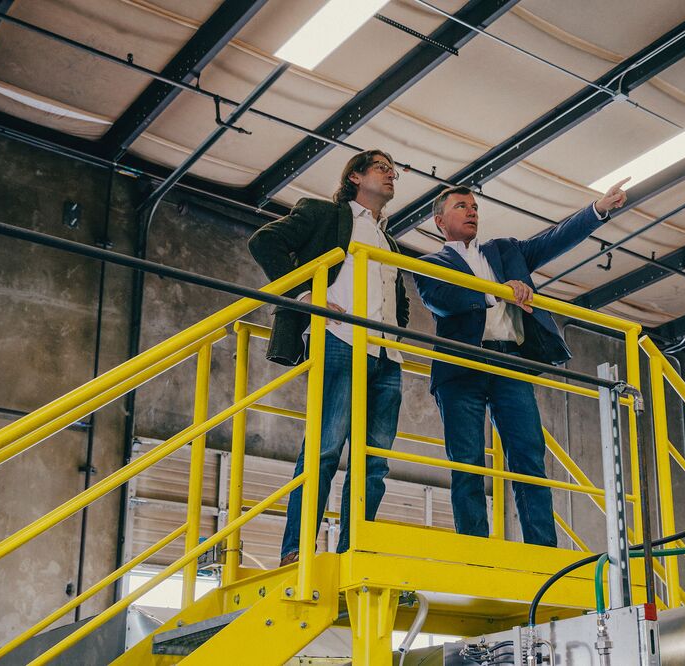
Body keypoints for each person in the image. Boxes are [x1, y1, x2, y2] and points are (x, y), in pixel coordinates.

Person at [413, 179, 629, 546]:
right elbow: (442, 300)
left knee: (529, 458)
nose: (471, 212)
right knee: (467, 464)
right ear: (439, 221)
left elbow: (553, 240)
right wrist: (499, 291)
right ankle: (475, 550)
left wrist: (599, 209)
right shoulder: (428, 263)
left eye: (475, 208)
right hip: (461, 371)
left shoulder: (505, 251)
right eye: (461, 207)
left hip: (509, 363)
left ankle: (543, 551)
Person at [248, 149, 409, 563]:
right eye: (381, 168)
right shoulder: (325, 214)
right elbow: (265, 241)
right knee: (324, 451)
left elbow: (399, 301)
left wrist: (396, 332)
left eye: (394, 171)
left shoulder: (389, 241)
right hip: (340, 341)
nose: (391, 176)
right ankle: (296, 551)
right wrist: (307, 296)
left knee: (374, 465)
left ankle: (351, 551)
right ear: (355, 176)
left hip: (387, 357)